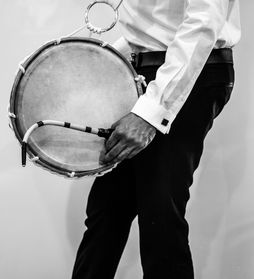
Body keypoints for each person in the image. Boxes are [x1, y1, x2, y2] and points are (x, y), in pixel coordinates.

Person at [71, 0, 241, 278]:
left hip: (185, 73)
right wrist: (105, 59)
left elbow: (204, 19)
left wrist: (151, 113)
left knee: (159, 216)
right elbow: (154, 26)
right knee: (106, 214)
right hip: (144, 72)